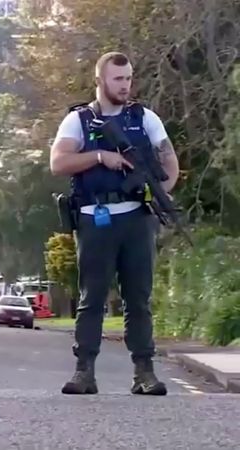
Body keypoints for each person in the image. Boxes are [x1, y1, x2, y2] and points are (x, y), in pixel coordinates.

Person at [49, 52, 180, 396]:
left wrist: (158, 193)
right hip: (96, 219)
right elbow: (58, 162)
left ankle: (144, 372)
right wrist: (98, 157)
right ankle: (84, 371)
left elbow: (170, 162)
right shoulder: (79, 121)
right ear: (100, 81)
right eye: (118, 79)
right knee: (92, 298)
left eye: (128, 78)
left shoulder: (144, 118)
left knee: (139, 298)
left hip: (138, 218)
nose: (125, 85)